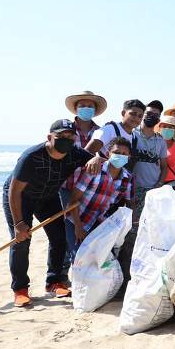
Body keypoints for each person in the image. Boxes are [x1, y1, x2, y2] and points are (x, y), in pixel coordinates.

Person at [2, 119, 101, 307]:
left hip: (47, 197)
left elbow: (96, 159)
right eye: (61, 136)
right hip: (21, 197)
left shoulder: (74, 152)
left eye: (71, 136)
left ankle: (55, 281)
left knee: (59, 238)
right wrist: (18, 224)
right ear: (49, 137)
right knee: (21, 240)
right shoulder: (31, 157)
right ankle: (20, 289)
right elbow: (15, 191)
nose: (67, 140)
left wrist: (96, 157)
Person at [59, 90, 106, 265]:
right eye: (82, 106)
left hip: (88, 188)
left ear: (95, 109)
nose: (86, 108)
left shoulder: (100, 131)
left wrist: (99, 157)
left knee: (84, 228)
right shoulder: (65, 130)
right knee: (68, 227)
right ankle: (70, 268)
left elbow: (106, 156)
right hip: (66, 186)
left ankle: (79, 265)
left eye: (90, 106)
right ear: (75, 109)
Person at [67, 137, 133, 252]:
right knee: (78, 259)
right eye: (116, 152)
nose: (120, 156)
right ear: (108, 154)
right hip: (78, 220)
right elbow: (73, 200)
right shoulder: (94, 170)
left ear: (129, 157)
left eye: (124, 154)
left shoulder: (128, 178)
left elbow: (130, 204)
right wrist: (78, 227)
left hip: (101, 225)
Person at [130, 100, 168, 229]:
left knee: (147, 226)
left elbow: (164, 166)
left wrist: (159, 185)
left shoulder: (160, 140)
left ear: (159, 119)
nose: (152, 116)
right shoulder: (132, 134)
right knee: (131, 225)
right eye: (149, 113)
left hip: (152, 189)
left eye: (156, 115)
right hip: (132, 189)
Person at [156, 115, 175, 190]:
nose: (167, 129)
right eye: (164, 126)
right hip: (152, 184)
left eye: (170, 127)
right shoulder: (152, 144)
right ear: (159, 128)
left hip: (171, 185)